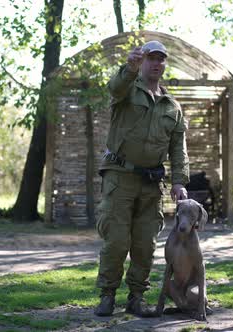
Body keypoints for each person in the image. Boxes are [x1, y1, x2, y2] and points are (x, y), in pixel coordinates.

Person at [94, 40, 190, 317]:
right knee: (116, 241)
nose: (157, 63)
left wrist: (179, 181)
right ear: (143, 61)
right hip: (119, 178)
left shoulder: (172, 106)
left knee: (145, 244)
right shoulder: (127, 90)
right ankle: (107, 296)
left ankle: (136, 297)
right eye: (151, 58)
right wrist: (129, 68)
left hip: (151, 184)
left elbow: (177, 148)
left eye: (161, 59)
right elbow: (114, 87)